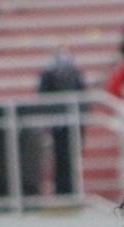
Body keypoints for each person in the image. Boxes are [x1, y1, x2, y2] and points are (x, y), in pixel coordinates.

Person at [37, 45, 87, 195]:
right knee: (60, 158)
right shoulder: (49, 74)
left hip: (72, 122)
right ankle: (62, 191)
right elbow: (43, 97)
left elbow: (83, 98)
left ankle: (72, 190)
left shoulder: (75, 74)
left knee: (71, 158)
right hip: (57, 123)